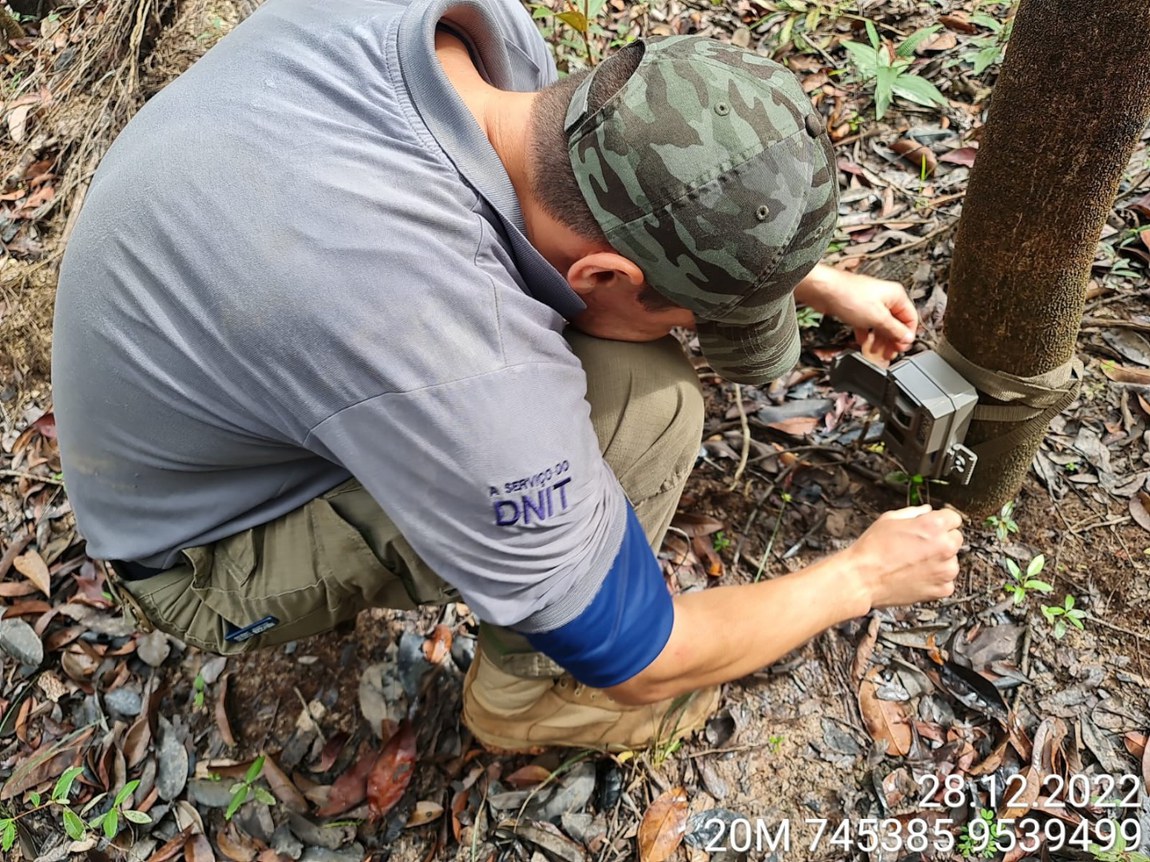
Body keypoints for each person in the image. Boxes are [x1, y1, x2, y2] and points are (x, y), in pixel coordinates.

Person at [51, 0, 963, 753]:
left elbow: (624, 173)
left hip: (204, 354)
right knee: (646, 399)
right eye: (697, 317)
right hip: (196, 550)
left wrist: (798, 270)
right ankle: (527, 700)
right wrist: (863, 577)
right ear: (607, 275)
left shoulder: (474, 39)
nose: (704, 336)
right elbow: (646, 655)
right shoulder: (445, 348)